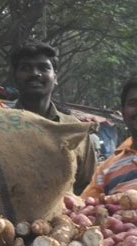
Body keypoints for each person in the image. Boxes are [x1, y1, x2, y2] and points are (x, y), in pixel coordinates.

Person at [11, 40, 96, 195]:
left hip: (65, 218)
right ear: (15, 77)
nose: (35, 74)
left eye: (44, 68)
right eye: (26, 68)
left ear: (55, 77)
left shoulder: (75, 130)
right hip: (4, 219)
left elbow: (88, 185)